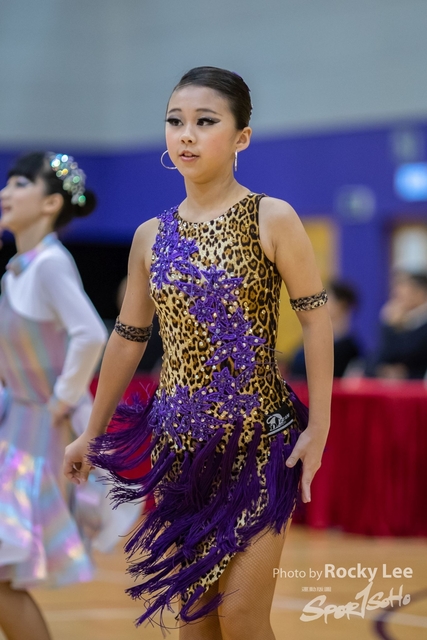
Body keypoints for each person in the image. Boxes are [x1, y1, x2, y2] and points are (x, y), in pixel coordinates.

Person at [64, 67, 334, 640]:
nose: (186, 134)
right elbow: (128, 337)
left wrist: (320, 426)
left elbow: (315, 321)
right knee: (198, 621)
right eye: (175, 121)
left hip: (262, 439)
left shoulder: (272, 217)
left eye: (205, 121)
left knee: (242, 616)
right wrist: (92, 431)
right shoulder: (150, 235)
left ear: (241, 137)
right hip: (180, 445)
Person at [0, 151, 112, 640]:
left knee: (2, 576)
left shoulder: (49, 264)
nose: (5, 192)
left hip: (40, 436)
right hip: (17, 428)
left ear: (49, 203)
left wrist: (61, 401)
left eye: (19, 184)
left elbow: (90, 333)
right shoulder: (17, 271)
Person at [290, 280, 362, 378]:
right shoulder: (311, 338)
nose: (320, 304)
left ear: (341, 305)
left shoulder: (349, 348)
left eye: (326, 299)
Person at [369, 270, 427, 379]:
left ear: (420, 293)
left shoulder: (421, 324)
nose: (397, 295)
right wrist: (382, 370)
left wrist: (389, 326)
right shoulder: (400, 320)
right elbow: (380, 356)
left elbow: (408, 351)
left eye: (403, 288)